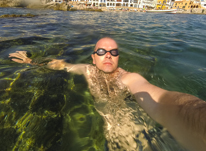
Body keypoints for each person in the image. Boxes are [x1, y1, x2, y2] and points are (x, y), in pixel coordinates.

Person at [9, 37, 206, 151]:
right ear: (94, 58)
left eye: (113, 51)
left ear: (118, 58)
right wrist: (30, 63)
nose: (108, 54)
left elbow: (163, 101)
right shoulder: (86, 70)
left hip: (132, 132)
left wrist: (198, 115)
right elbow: (61, 66)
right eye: (102, 51)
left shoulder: (129, 78)